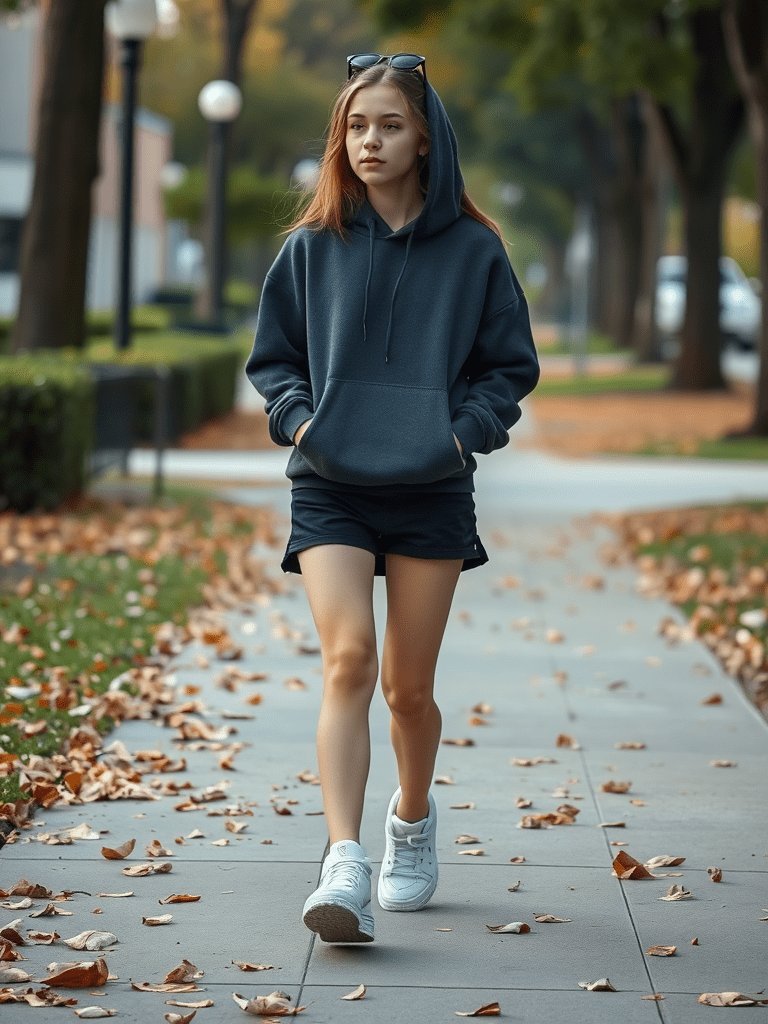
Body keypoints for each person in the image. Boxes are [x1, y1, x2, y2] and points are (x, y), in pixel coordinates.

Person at [246, 52, 539, 945]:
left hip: (432, 492)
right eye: (356, 126)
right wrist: (301, 423)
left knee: (409, 691)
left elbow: (508, 369)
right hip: (330, 486)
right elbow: (274, 363)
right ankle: (344, 860)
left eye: (390, 125)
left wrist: (459, 434)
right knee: (350, 663)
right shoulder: (310, 249)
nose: (369, 141)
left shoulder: (474, 251)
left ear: (425, 140)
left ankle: (410, 821)